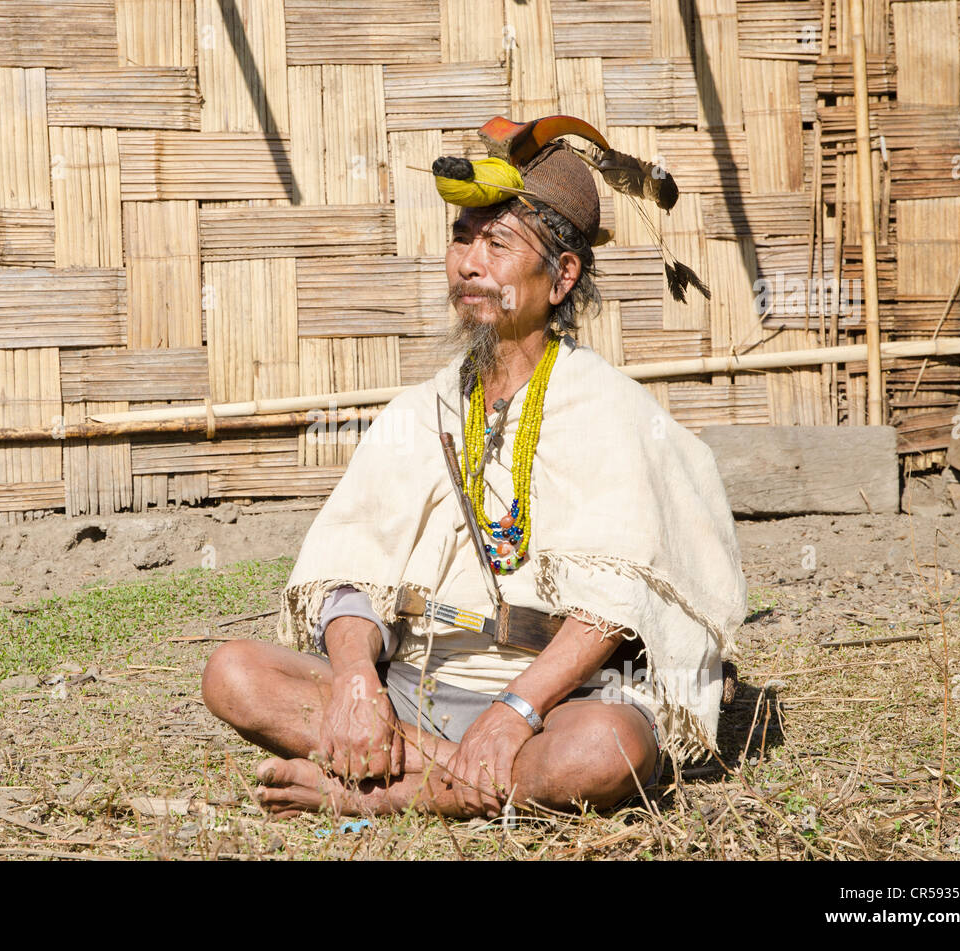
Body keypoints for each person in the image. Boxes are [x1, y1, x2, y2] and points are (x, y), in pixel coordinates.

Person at [202, 116, 747, 819]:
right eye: (463, 236)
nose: (469, 262)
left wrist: (514, 708)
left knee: (608, 748)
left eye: (497, 241)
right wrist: (357, 682)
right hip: (413, 692)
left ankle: (391, 794)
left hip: (553, 706)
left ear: (562, 276)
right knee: (235, 673)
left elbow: (613, 607)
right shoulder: (418, 411)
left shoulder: (610, 411)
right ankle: (458, 779)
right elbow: (352, 570)